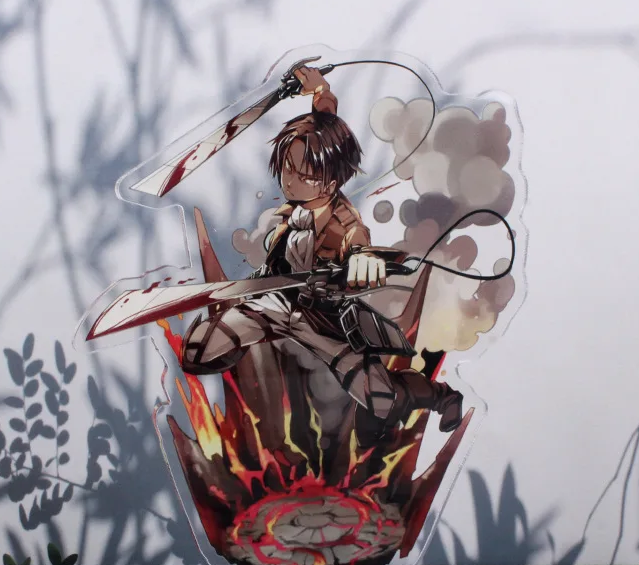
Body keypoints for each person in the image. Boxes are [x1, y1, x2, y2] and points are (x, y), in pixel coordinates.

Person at [181, 66, 463, 445]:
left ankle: (442, 397)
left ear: (330, 182)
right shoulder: (302, 188)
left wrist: (362, 261)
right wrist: (320, 90)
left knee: (382, 400)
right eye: (287, 168)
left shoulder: (344, 222)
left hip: (323, 321)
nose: (290, 180)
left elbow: (358, 245)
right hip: (275, 301)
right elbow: (324, 125)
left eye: (303, 175)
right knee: (199, 351)